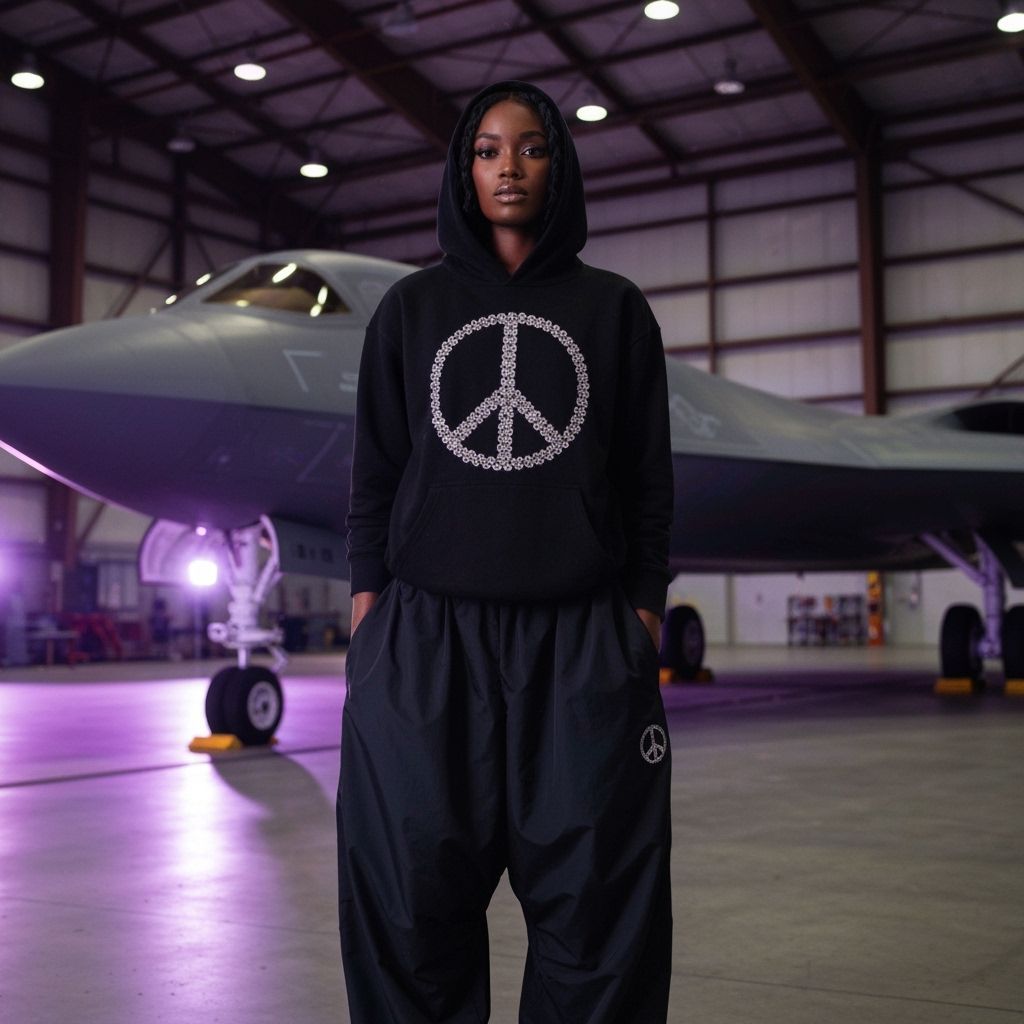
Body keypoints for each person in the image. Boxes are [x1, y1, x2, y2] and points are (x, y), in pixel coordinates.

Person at [338, 80, 674, 1023]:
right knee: (408, 915)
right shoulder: (409, 311)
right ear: (462, 169)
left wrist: (639, 614)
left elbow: (648, 482)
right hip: (423, 647)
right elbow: (375, 477)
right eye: (486, 150)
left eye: (529, 148)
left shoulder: (613, 311)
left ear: (557, 164)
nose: (508, 168)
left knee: (600, 920)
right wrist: (371, 616)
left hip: (580, 647)